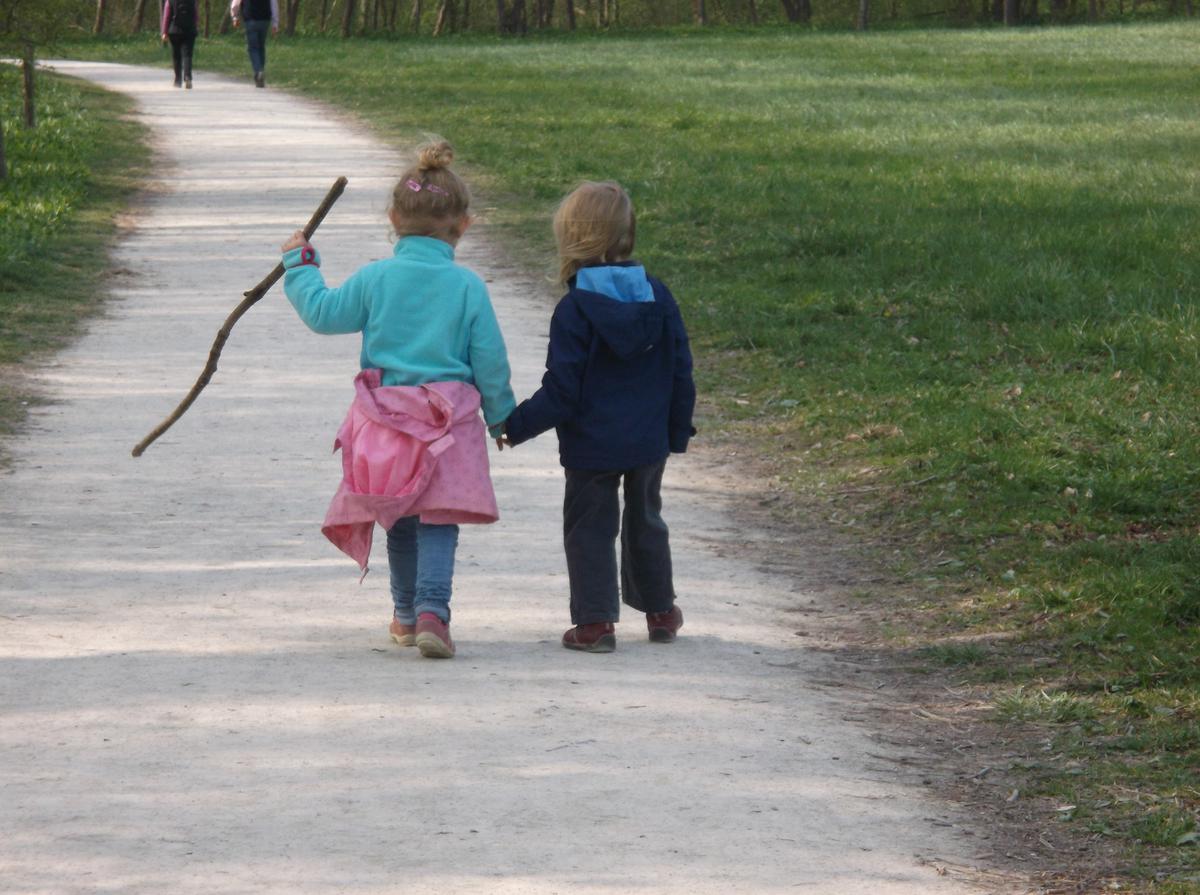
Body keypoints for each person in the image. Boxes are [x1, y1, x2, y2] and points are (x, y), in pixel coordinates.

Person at [279, 142, 515, 659]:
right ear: (464, 225)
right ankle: (434, 612)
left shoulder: (375, 278)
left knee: (401, 518)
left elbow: (322, 313)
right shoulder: (467, 286)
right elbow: (490, 359)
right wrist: (501, 416)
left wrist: (299, 266)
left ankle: (406, 616)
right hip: (447, 425)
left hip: (386, 425)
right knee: (438, 518)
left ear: (392, 219)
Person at [499, 181, 696, 653]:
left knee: (589, 525)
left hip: (591, 444)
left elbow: (562, 391)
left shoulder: (575, 310)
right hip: (648, 439)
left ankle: (595, 623)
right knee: (646, 518)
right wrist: (676, 430)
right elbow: (679, 370)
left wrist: (514, 425)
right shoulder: (658, 296)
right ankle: (661, 611)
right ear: (627, 234)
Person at [230, 0, 279, 88]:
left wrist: (235, 17)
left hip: (250, 18)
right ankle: (261, 72)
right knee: (261, 47)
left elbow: (235, 4)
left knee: (253, 48)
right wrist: (275, 22)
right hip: (265, 19)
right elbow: (273, 4)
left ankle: (258, 71)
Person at [161, 0, 199, 89]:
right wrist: (195, 26)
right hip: (190, 30)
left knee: (176, 56)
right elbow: (196, 15)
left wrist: (164, 32)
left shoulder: (170, 1)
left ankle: (178, 80)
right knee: (187, 55)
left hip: (174, 30)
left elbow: (167, 16)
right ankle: (188, 77)